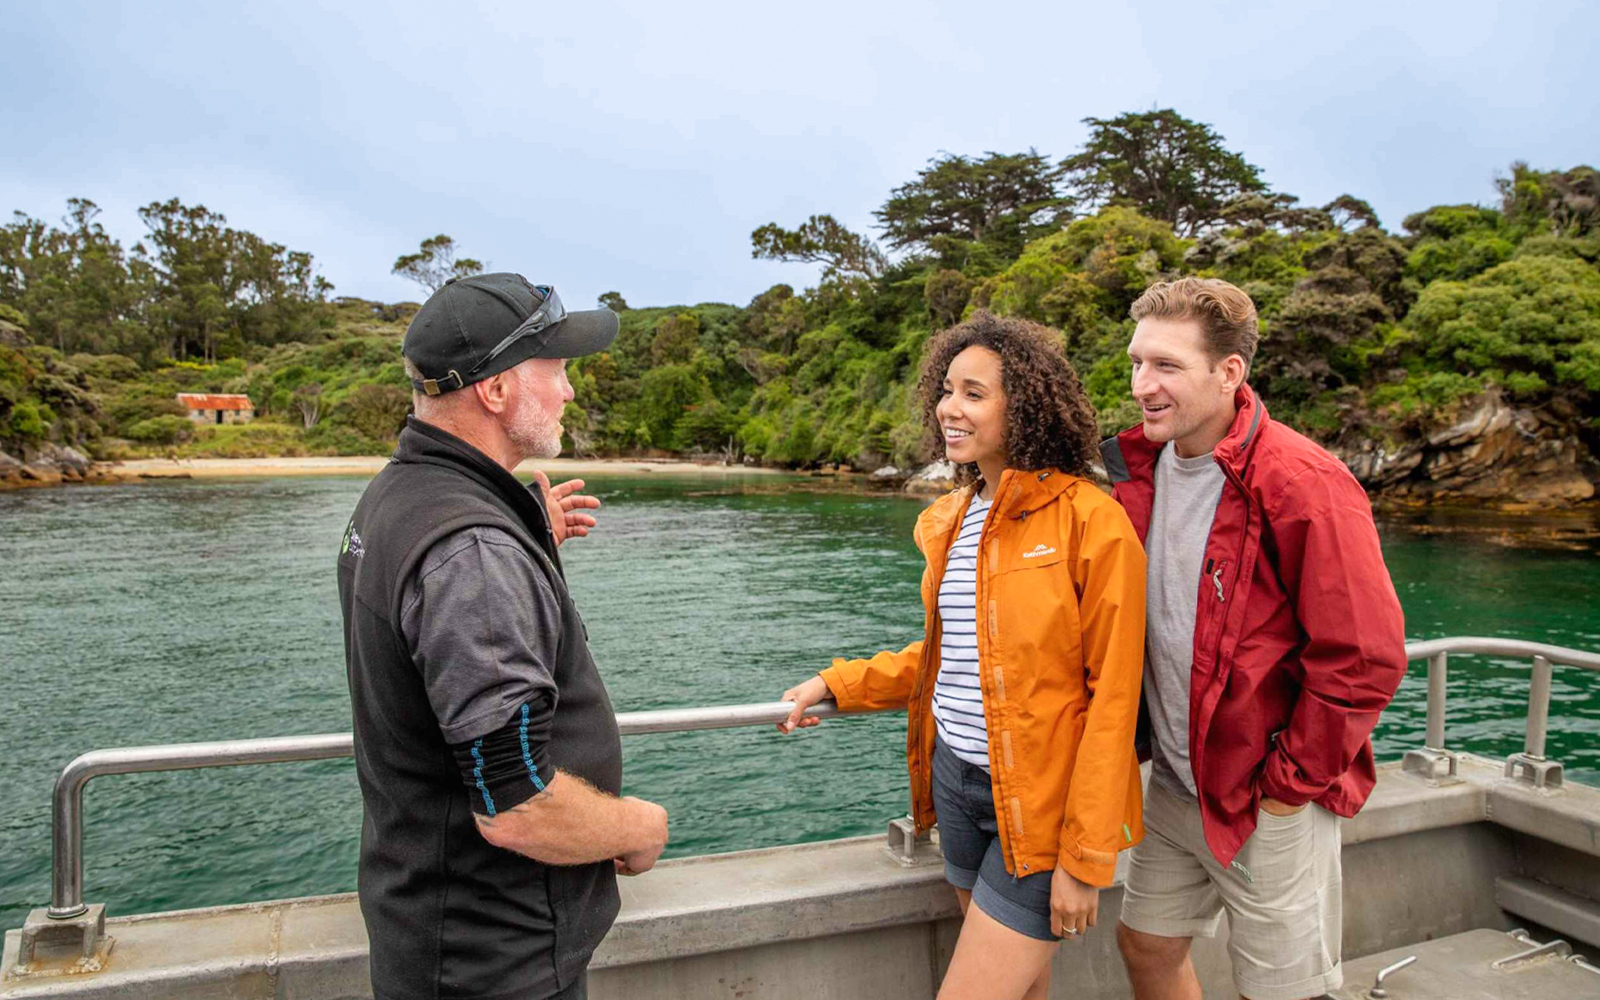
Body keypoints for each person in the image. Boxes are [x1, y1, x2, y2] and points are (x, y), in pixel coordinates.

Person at [779, 311, 1147, 1000]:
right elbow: (960, 655)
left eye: (974, 393)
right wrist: (837, 684)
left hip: (1038, 802)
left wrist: (1086, 857)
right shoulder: (954, 516)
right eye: (948, 389)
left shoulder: (1092, 521)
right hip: (957, 783)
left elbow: (1115, 698)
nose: (950, 407)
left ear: (1026, 406)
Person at [337, 273, 669, 1000]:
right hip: (495, 965)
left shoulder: (402, 495)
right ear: (494, 389)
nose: (569, 392)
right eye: (555, 370)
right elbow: (517, 806)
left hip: (438, 937)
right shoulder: (473, 555)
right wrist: (638, 826)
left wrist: (527, 544)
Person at [1105, 277, 1407, 1000]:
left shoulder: (1304, 483)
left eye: (1167, 366)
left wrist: (1285, 789)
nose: (1143, 385)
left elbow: (1365, 657)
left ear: (1229, 373)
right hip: (1178, 785)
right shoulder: (1139, 471)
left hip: (1268, 795)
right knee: (1146, 944)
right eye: (1138, 362)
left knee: (1279, 990)